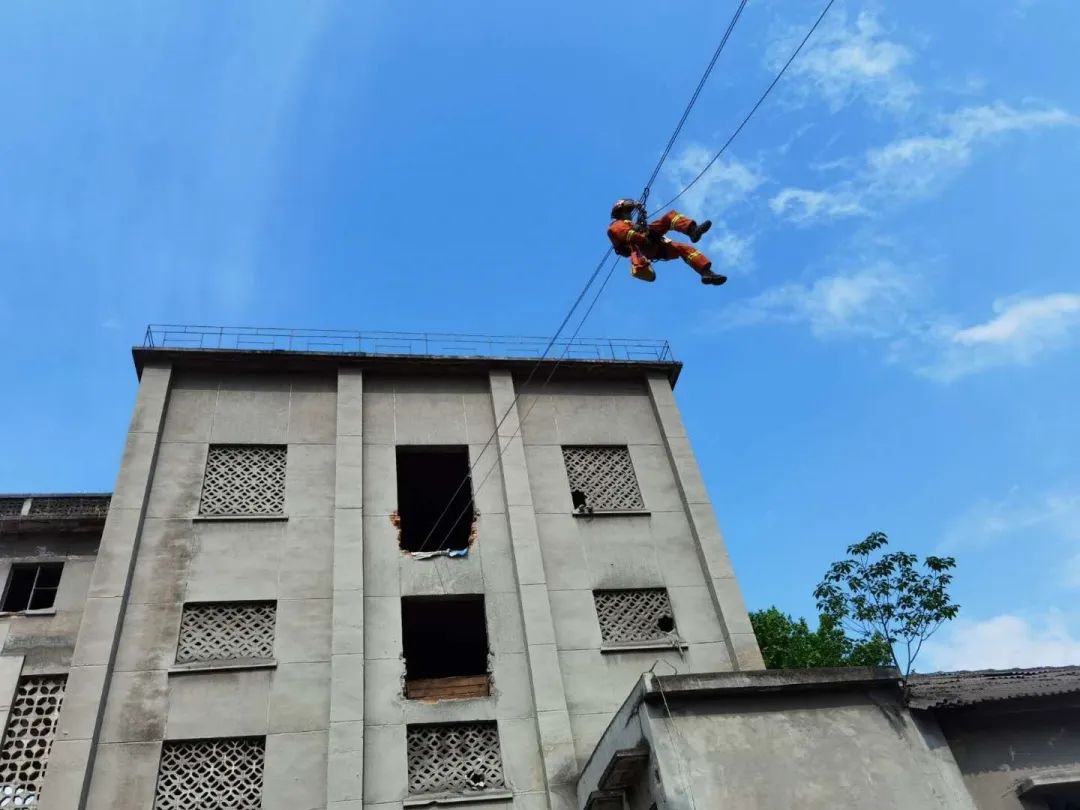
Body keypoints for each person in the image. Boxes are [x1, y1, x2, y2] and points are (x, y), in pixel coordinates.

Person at [606, 199, 727, 285]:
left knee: (684, 247)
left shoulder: (631, 224)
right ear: (620, 212)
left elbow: (635, 231)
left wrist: (640, 217)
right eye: (627, 211)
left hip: (653, 244)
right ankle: (692, 231)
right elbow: (626, 234)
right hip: (643, 247)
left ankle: (706, 272)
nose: (629, 214)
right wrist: (643, 239)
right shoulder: (616, 225)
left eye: (629, 211)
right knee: (668, 218)